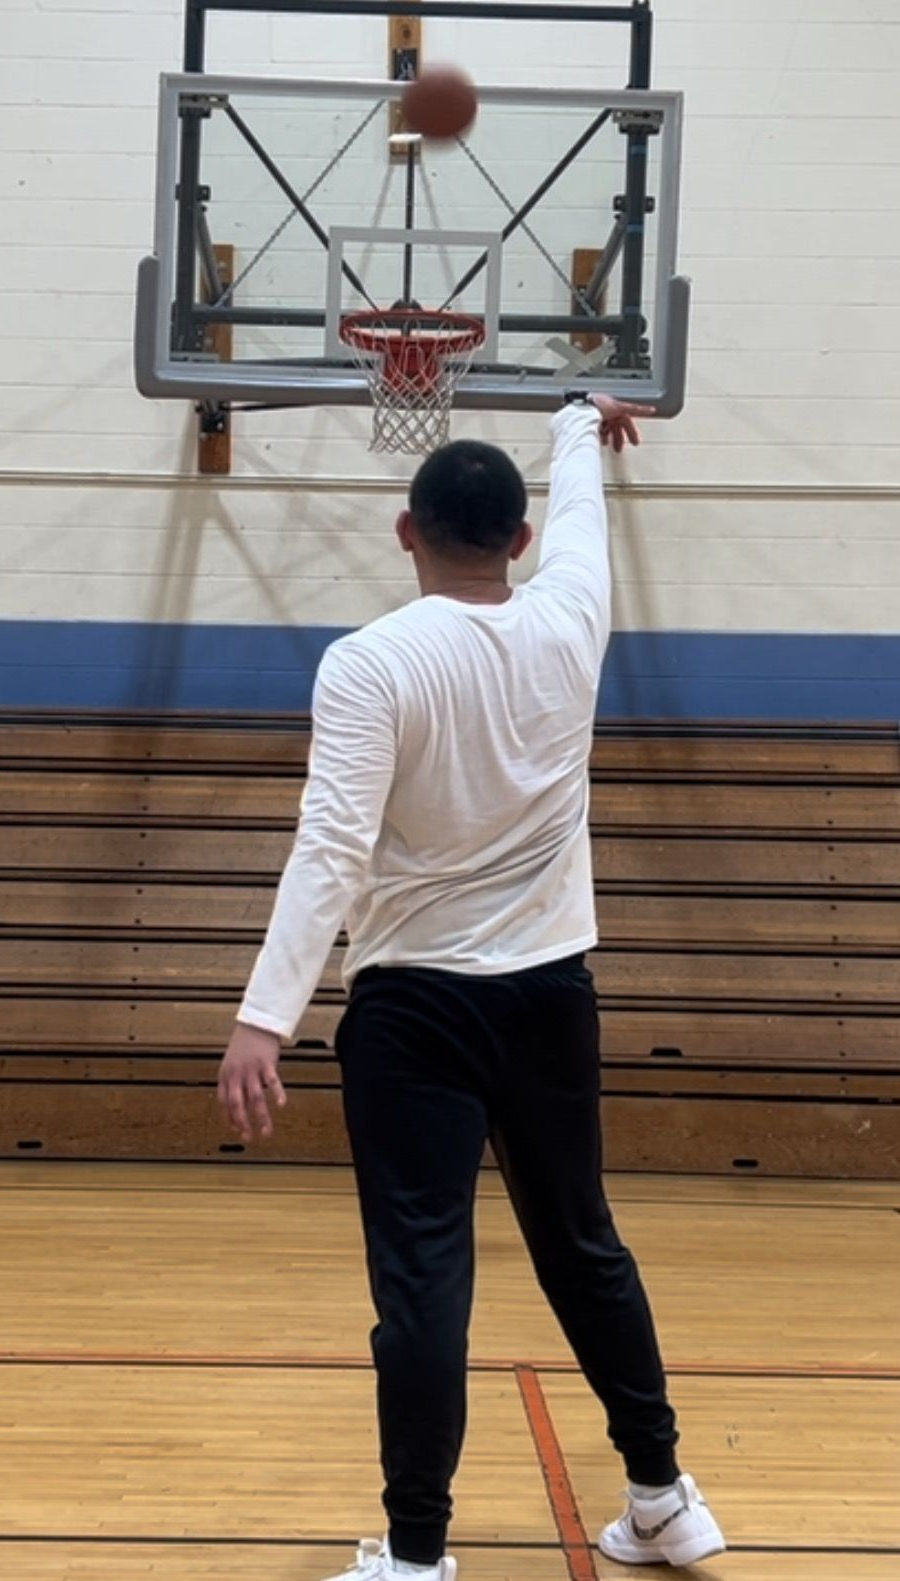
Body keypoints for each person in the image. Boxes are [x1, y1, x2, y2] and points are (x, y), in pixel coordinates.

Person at [217, 393, 727, 1577]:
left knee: (424, 1272)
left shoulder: (371, 664)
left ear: (407, 532)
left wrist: (264, 1018)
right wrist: (573, 425)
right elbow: (589, 524)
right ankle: (661, 1493)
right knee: (582, 1241)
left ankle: (417, 1554)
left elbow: (332, 846)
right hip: (551, 996)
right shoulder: (570, 616)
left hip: (417, 1015)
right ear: (520, 540)